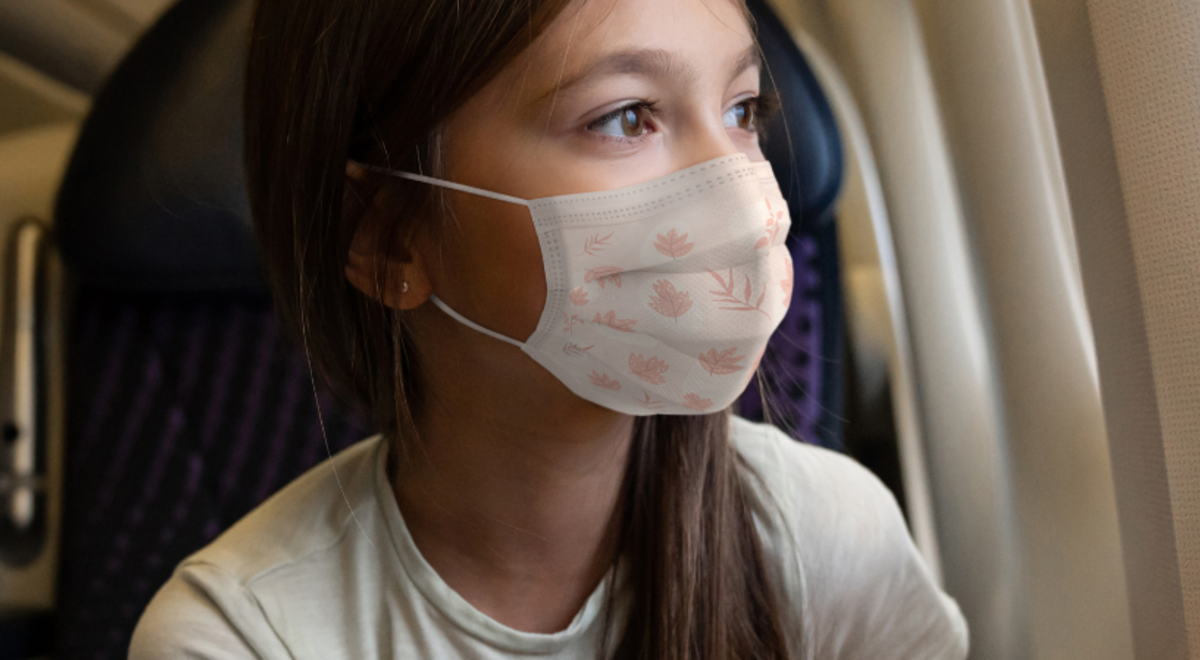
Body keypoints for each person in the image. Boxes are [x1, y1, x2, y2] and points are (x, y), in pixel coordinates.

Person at [130, 0, 968, 657]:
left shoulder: (830, 544)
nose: (739, 194)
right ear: (385, 235)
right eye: (626, 117)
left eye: (742, 110)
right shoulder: (240, 637)